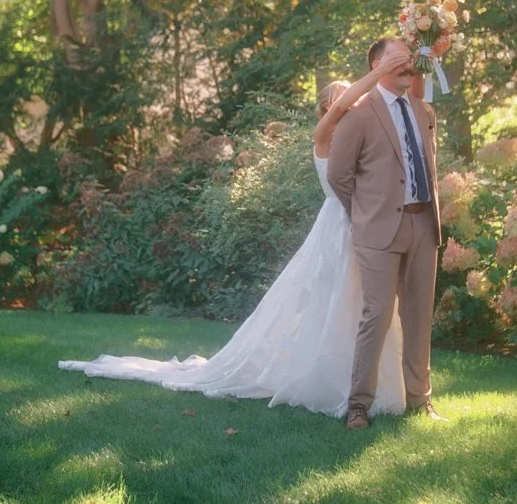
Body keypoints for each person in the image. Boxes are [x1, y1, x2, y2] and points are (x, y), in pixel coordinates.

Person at [58, 47, 412, 420]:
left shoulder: (363, 133)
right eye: (343, 99)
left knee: (366, 306)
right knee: (336, 304)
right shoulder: (325, 135)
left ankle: (371, 386)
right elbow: (343, 121)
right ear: (328, 108)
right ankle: (333, 383)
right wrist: (377, 74)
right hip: (340, 228)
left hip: (372, 223)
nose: (352, 104)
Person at [327, 36, 447, 429]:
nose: (406, 63)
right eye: (396, 57)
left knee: (418, 317)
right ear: (377, 64)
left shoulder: (423, 111)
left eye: (408, 57)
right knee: (376, 315)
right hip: (378, 229)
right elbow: (339, 176)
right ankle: (359, 405)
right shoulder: (360, 113)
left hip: (423, 226)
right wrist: (366, 213)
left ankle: (420, 401)